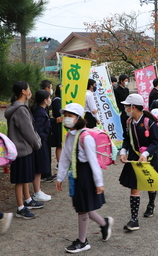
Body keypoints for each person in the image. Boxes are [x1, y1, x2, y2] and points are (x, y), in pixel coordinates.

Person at [56, 103, 113, 253]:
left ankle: (83, 241)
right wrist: (59, 177)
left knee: (82, 208)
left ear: (78, 118)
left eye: (70, 116)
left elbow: (93, 161)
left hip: (86, 175)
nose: (67, 119)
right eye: (66, 115)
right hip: (76, 175)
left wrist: (99, 182)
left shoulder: (85, 137)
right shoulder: (69, 135)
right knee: (83, 206)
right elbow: (65, 158)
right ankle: (104, 223)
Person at [119, 94, 158, 231]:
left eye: (127, 106)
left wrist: (145, 154)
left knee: (150, 184)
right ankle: (134, 219)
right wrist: (123, 152)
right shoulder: (128, 122)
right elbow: (126, 140)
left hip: (149, 158)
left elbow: (155, 143)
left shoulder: (149, 122)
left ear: (133, 107)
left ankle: (151, 204)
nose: (125, 108)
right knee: (135, 186)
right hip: (134, 158)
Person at [5, 81, 44, 219]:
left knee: (25, 177)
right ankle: (21, 207)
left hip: (21, 148)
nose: (30, 91)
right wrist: (37, 143)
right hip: (22, 148)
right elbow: (28, 131)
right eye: (29, 89)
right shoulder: (21, 109)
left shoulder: (16, 107)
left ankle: (27, 200)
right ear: (23, 91)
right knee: (20, 180)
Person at [31, 90, 52, 202]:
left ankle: (38, 190)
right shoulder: (40, 112)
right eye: (49, 97)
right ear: (45, 100)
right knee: (38, 168)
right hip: (40, 143)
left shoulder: (40, 110)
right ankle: (36, 191)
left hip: (41, 142)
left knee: (39, 168)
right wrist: (42, 138)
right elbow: (38, 130)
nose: (50, 99)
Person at [40, 79, 57, 182]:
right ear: (46, 89)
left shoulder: (44, 106)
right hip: (43, 136)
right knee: (44, 156)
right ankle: (44, 174)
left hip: (46, 134)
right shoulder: (40, 108)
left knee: (47, 155)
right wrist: (54, 121)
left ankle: (47, 174)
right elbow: (43, 122)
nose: (51, 90)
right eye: (51, 88)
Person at [51, 84, 63, 169]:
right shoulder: (57, 100)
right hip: (58, 124)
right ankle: (59, 163)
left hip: (62, 124)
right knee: (59, 145)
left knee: (62, 145)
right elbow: (58, 114)